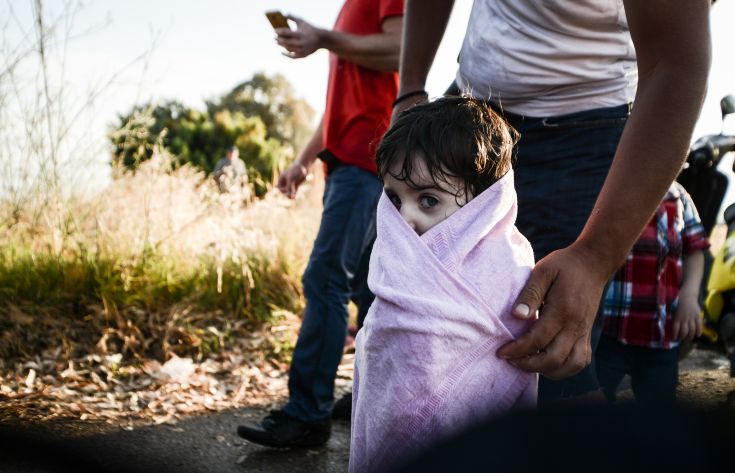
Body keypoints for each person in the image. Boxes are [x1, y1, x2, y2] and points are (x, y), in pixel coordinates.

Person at [394, 0, 711, 404]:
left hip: (585, 129)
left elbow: (677, 64)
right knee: (405, 292)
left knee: (553, 349)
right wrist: (410, 91)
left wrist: (594, 258)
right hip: (469, 109)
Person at [237, 0, 404, 448]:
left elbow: (401, 50)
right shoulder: (351, 10)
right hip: (346, 162)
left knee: (326, 278)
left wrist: (325, 39)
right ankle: (370, 394)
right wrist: (303, 160)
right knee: (369, 288)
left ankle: (307, 414)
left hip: (366, 161)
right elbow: (339, 106)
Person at [349, 96, 537, 473]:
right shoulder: (391, 261)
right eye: (394, 199)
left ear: (484, 203)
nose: (407, 218)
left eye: (428, 200)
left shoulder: (510, 265)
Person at [595, 182, 709, 406]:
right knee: (596, 401)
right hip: (608, 332)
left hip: (661, 336)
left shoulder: (679, 196)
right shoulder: (609, 187)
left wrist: (689, 297)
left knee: (659, 410)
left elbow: (695, 251)